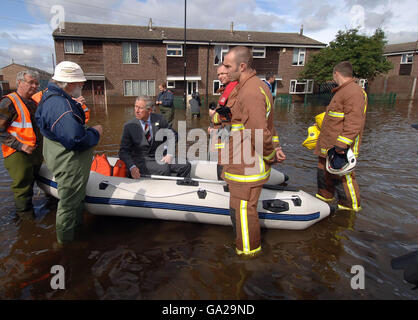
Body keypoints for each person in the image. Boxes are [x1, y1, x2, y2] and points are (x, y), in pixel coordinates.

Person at [221, 46, 286, 256]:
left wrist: (270, 155)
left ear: (242, 66)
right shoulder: (254, 86)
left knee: (244, 211)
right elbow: (268, 125)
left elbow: (258, 131)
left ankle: (248, 255)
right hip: (242, 159)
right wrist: (275, 147)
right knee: (239, 209)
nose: (225, 69)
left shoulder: (249, 91)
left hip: (247, 164)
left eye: (228, 66)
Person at [35, 61, 103, 245]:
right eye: (80, 83)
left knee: (75, 200)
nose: (82, 86)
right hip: (69, 163)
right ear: (70, 84)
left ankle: (77, 232)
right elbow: (75, 140)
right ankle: (66, 245)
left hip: (59, 157)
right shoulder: (60, 105)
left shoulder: (51, 97)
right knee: (68, 204)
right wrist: (95, 132)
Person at [315, 61, 367, 212]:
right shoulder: (341, 91)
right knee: (323, 174)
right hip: (328, 145)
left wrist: (342, 144)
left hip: (340, 148)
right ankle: (324, 201)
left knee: (344, 178)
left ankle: (350, 209)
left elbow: (354, 121)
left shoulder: (354, 92)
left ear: (336, 73)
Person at [0, 70, 43, 219]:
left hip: (34, 152)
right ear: (19, 82)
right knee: (22, 188)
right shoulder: (8, 101)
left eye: (36, 83)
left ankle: (29, 215)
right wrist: (20, 146)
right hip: (18, 153)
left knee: (31, 184)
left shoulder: (33, 102)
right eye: (30, 82)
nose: (34, 86)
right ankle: (25, 218)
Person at [119, 96, 191, 179]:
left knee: (185, 165)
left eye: (140, 108)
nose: (136, 110)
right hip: (142, 161)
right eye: (136, 106)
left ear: (149, 110)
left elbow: (173, 135)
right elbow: (123, 152)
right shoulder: (129, 126)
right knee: (164, 169)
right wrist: (132, 167)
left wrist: (169, 153)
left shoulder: (159, 119)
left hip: (160, 156)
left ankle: (180, 187)